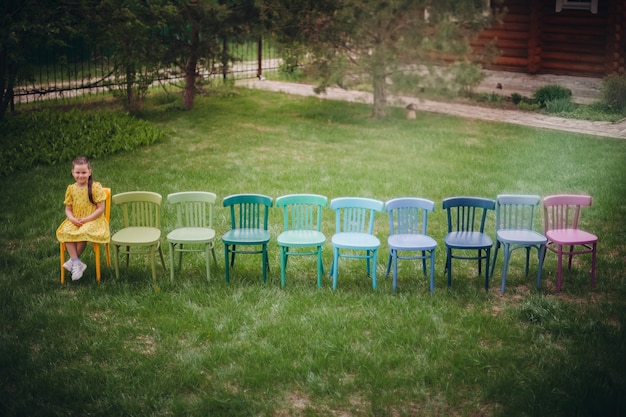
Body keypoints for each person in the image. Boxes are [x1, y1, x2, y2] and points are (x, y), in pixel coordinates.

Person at [56, 156, 110, 280]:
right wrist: (71, 218)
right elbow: (68, 209)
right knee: (66, 231)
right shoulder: (71, 189)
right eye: (78, 172)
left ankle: (73, 262)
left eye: (84, 172)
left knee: (84, 232)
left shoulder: (95, 187)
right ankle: (76, 262)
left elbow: (100, 208)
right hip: (76, 219)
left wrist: (87, 219)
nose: (81, 175)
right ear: (73, 172)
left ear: (89, 172)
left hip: (94, 219)